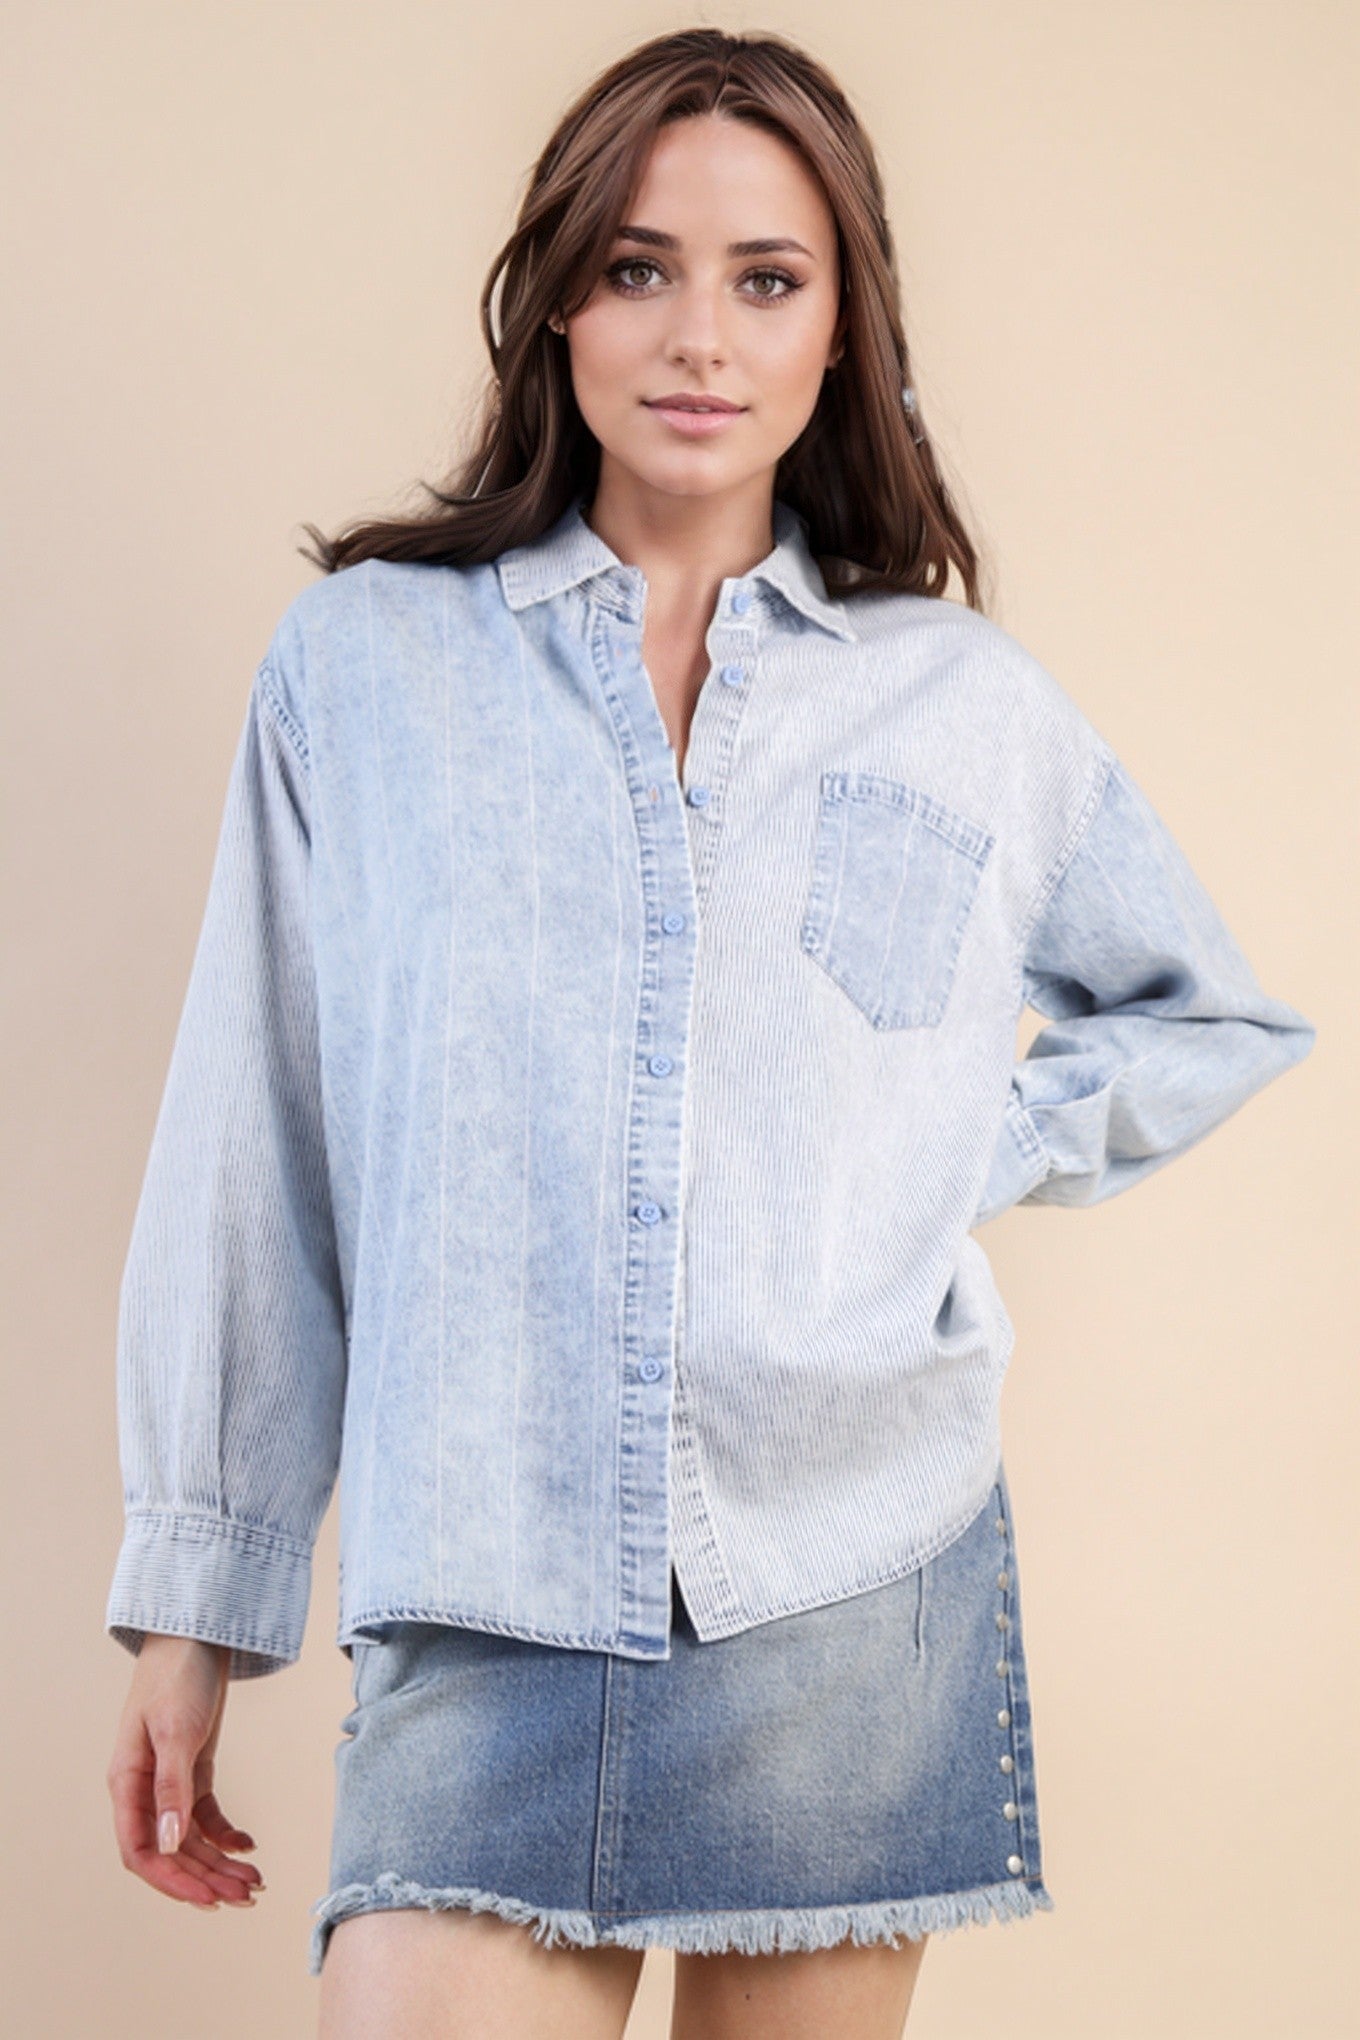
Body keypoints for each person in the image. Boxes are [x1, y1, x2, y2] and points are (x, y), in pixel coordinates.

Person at [103, 26, 1316, 2040]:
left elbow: (1208, 1012)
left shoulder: (957, 703)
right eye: (638, 267)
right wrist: (193, 1605)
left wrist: (949, 1141)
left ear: (842, 328)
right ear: (558, 302)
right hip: (480, 1588)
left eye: (766, 279)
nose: (698, 336)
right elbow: (261, 1141)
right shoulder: (366, 671)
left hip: (844, 1585)